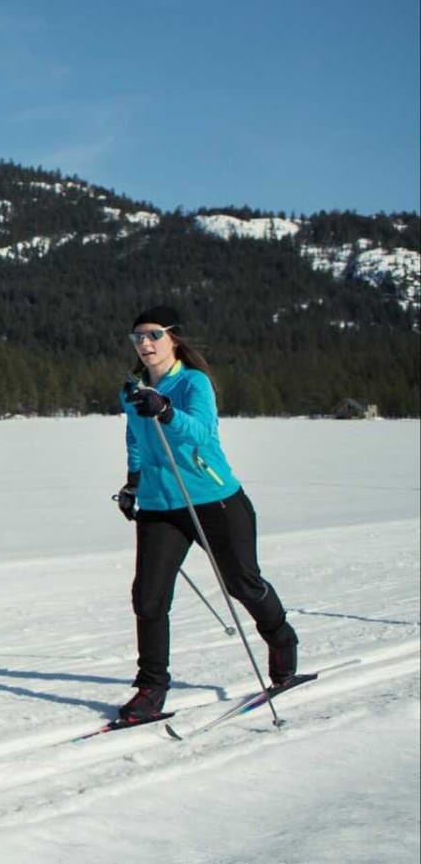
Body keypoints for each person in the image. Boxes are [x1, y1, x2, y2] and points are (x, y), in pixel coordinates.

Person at [114, 304, 299, 722]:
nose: (145, 344)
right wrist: (132, 483)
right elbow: (135, 436)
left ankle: (281, 639)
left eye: (153, 335)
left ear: (173, 338)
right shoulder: (132, 390)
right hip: (161, 506)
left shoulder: (194, 383)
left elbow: (203, 433)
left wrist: (166, 411)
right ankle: (151, 688)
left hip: (213, 499)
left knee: (243, 584)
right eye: (137, 337)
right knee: (148, 598)